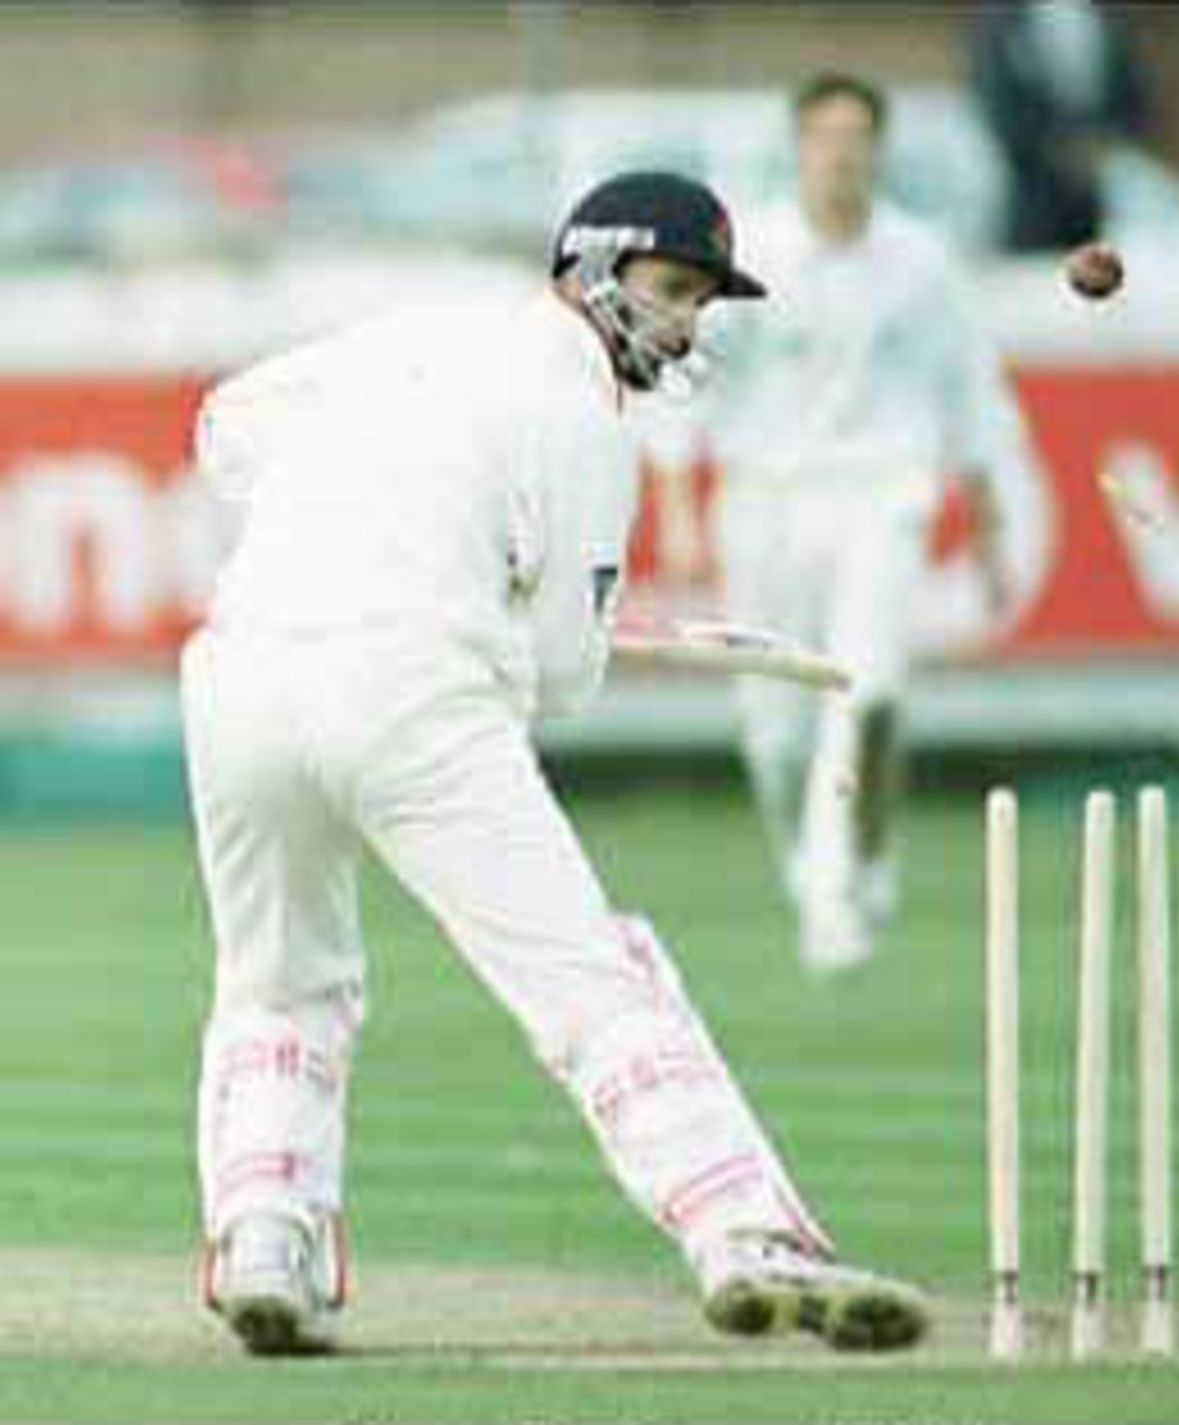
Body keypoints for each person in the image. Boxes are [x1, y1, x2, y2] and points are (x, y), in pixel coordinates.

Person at [183, 169, 930, 1357]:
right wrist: (505, 603)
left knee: (279, 982)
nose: (684, 321)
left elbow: (224, 425)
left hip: (242, 679)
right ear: (592, 265)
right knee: (592, 985)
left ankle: (263, 1242)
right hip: (412, 693)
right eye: (672, 287)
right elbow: (563, 677)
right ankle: (743, 1231)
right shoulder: (585, 417)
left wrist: (368, 526)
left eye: (701, 302)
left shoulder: (411, 336)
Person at [707, 73, 1023, 975]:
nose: (841, 156)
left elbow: (969, 393)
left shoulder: (921, 261)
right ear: (800, 148)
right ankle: (837, 856)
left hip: (883, 494)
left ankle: (831, 897)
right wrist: (684, 505)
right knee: (775, 731)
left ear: (877, 151)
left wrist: (989, 523)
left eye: (856, 138)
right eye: (825, 138)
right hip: (767, 498)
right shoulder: (750, 254)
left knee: (867, 691)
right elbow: (688, 388)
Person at [969, 0, 1152, 252]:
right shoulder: (1002, 15)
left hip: (1092, 194)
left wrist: (1103, 142)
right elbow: (995, 96)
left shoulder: (1105, 13)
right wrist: (1055, 148)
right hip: (1031, 194)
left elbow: (1130, 91)